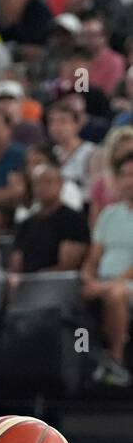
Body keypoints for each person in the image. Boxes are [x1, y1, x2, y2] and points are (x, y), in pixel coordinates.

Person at [81, 152, 133, 386]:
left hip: (123, 284)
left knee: (116, 294)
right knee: (66, 294)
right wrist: (88, 277)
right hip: (103, 281)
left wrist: (106, 285)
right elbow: (93, 257)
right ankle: (81, 362)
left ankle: (117, 362)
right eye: (124, 175)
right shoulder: (109, 214)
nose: (128, 180)